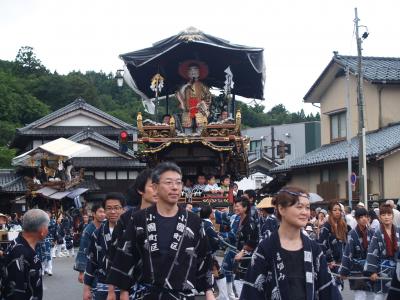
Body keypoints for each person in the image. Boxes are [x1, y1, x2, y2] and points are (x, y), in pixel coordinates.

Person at [107, 162, 215, 300]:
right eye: (169, 182)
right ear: (155, 187)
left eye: (178, 182)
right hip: (147, 294)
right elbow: (126, 255)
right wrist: (123, 291)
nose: (175, 187)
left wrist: (209, 291)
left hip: (182, 295)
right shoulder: (139, 219)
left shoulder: (194, 221)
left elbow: (204, 257)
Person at [240, 187, 341, 299]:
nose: (305, 212)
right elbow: (251, 292)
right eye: (299, 207)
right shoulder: (265, 248)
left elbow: (329, 290)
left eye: (307, 207)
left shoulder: (314, 249)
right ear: (281, 209)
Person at [83, 193, 126, 300]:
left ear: (123, 209)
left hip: (126, 287)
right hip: (102, 284)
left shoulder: (131, 232)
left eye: (116, 208)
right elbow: (91, 261)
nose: (113, 212)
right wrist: (86, 288)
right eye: (109, 208)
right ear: (105, 210)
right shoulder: (97, 234)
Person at [2, 209, 49, 300]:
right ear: (42, 229)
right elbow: (16, 294)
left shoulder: (19, 244)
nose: (48, 230)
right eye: (47, 227)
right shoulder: (20, 254)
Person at [364, 204, 400, 300]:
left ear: (392, 215)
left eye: (389, 214)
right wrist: (372, 272)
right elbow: (372, 253)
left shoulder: (398, 231)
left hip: (397, 270)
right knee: (379, 297)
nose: (386, 217)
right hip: (382, 270)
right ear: (380, 217)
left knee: (396, 295)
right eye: (383, 215)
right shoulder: (377, 233)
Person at [339, 207, 375, 300]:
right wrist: (344, 271)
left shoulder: (372, 232)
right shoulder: (352, 233)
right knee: (360, 295)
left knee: (371, 295)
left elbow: (376, 252)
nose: (364, 219)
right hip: (356, 269)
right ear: (356, 219)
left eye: (365, 216)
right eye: (361, 217)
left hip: (370, 268)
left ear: (368, 218)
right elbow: (348, 253)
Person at [317, 202, 348, 289]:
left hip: (340, 262)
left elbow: (344, 245)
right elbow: (321, 244)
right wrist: (329, 260)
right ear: (330, 212)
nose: (337, 212)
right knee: (332, 289)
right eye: (335, 210)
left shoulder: (342, 225)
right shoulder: (326, 226)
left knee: (339, 288)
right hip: (330, 263)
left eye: (339, 210)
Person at [200, 205, 228, 300]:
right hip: (208, 254)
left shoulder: (200, 222)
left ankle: (221, 295)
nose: (214, 214)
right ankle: (221, 295)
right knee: (217, 274)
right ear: (210, 214)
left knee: (216, 273)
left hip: (201, 254)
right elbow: (214, 241)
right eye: (213, 212)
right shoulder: (208, 225)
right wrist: (218, 245)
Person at [232, 198, 258, 297]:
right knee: (238, 280)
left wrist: (242, 252)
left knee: (242, 280)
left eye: (238, 206)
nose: (235, 208)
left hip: (247, 256)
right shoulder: (238, 219)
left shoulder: (250, 221)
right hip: (240, 253)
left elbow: (252, 241)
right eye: (235, 205)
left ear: (245, 207)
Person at [176, 61, 212, 132]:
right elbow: (179, 95)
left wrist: (203, 103)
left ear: (199, 73)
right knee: (187, 128)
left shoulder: (202, 86)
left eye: (195, 70)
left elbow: (208, 96)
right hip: (188, 108)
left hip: (199, 108)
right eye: (190, 70)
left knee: (200, 128)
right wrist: (185, 87)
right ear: (188, 73)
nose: (193, 72)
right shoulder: (184, 86)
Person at [74, 204, 106, 284]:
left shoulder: (106, 227)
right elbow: (83, 249)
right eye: (100, 212)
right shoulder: (88, 230)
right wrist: (81, 272)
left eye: (104, 212)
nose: (103, 214)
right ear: (93, 214)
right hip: (92, 264)